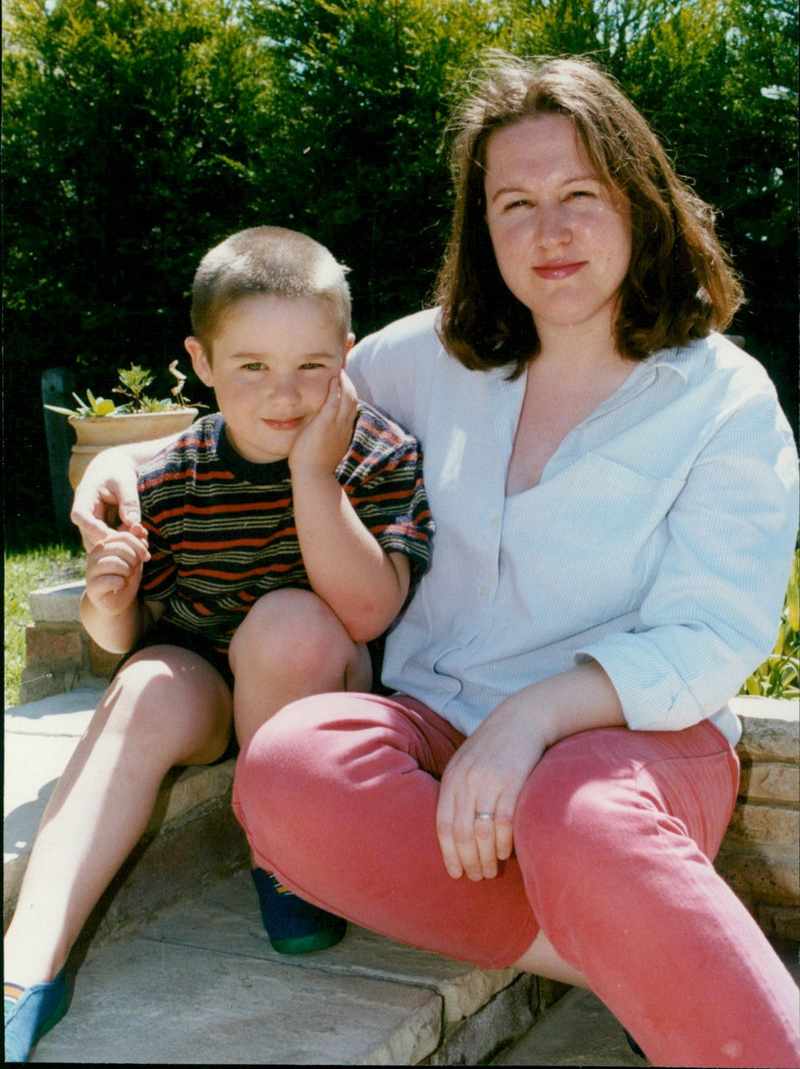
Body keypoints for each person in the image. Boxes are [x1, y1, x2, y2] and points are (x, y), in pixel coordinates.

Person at [58, 53, 796, 1067]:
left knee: (574, 815)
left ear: (639, 200)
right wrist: (140, 457)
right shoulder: (425, 354)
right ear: (481, 230)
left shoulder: (721, 394)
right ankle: (642, 953)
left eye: (580, 193)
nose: (549, 230)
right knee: (285, 774)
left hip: (624, 739)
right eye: (513, 203)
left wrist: (528, 719)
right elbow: (277, 397)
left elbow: (714, 630)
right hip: (433, 726)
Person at [4, 227, 434, 1063]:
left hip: (314, 687)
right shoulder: (169, 474)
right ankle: (26, 964)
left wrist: (314, 474)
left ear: (346, 355)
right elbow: (118, 642)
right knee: (143, 686)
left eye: (313, 366)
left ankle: (287, 857)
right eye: (252, 368)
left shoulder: (378, 453)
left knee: (288, 623)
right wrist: (108, 600)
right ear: (201, 363)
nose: (286, 395)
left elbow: (369, 610)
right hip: (205, 684)